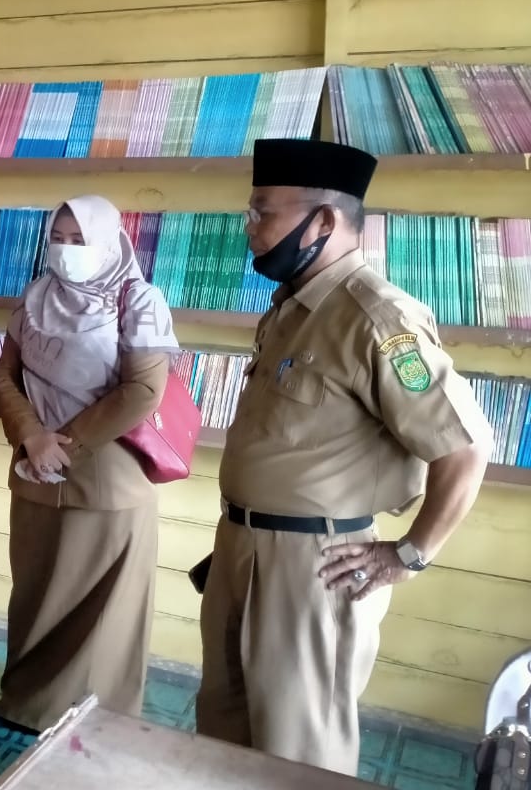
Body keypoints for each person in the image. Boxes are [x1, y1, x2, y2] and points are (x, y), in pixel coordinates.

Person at [194, 138, 493, 775]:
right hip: (242, 547)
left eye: (262, 211)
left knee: (298, 752)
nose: (249, 226)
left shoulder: (378, 319)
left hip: (314, 566)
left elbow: (464, 451)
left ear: (323, 221)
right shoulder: (292, 308)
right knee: (223, 731)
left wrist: (410, 554)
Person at [0, 195, 180, 737]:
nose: (65, 249)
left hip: (106, 476)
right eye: (57, 238)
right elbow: (4, 376)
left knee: (100, 611)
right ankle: (22, 707)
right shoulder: (36, 296)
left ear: (109, 242)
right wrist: (32, 437)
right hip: (35, 469)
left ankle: (95, 725)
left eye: (78, 239)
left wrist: (67, 446)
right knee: (36, 595)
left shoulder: (139, 299)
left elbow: (143, 391)